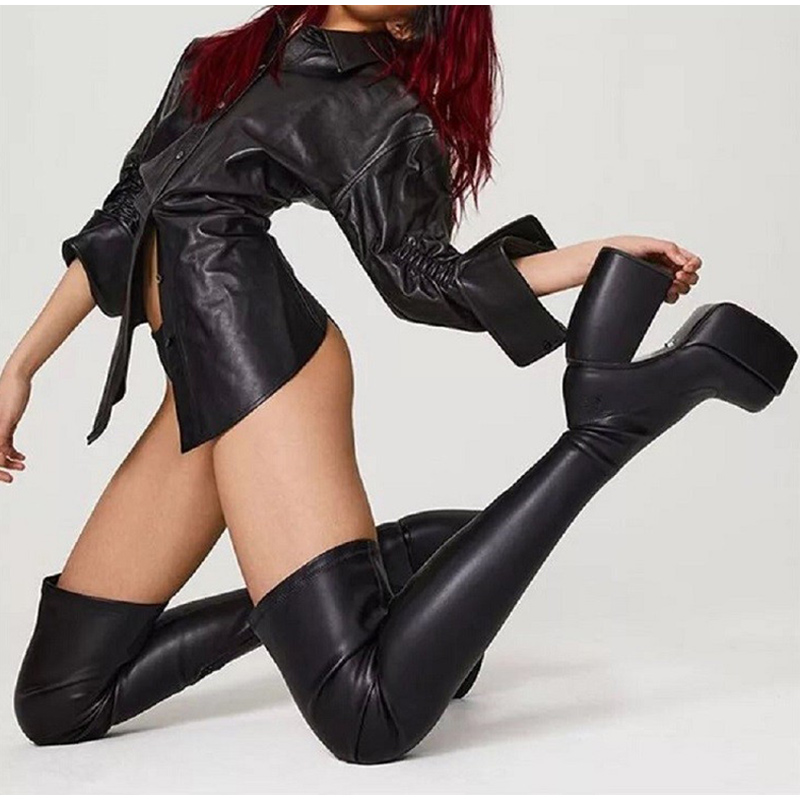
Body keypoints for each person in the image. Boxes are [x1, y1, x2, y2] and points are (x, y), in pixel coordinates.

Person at [4, 6, 793, 764]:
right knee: (59, 700)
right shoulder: (214, 61)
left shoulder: (373, 109)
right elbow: (124, 221)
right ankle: (393, 566)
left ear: (415, 18)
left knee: (366, 717)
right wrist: (20, 368)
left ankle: (608, 426)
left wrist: (592, 257)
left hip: (268, 371)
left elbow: (422, 273)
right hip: (198, 384)